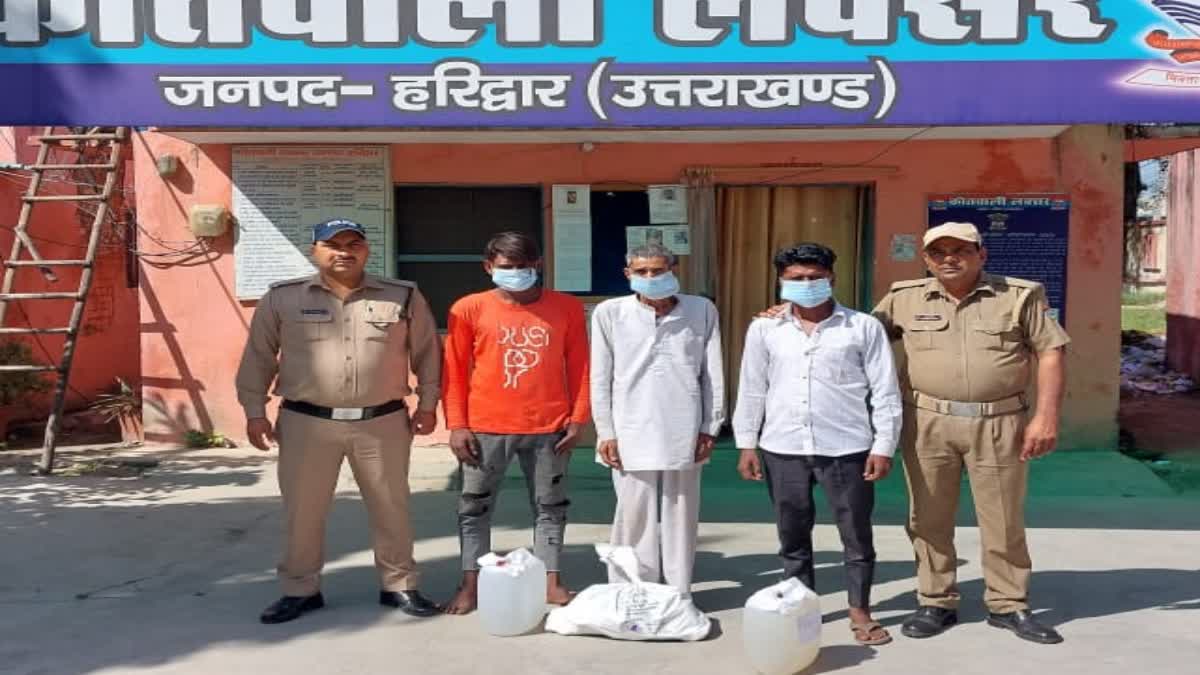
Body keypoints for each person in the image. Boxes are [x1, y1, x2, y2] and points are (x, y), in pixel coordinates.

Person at [236, 218, 442, 624]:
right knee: (303, 511)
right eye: (333, 244)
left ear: (367, 250)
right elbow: (258, 358)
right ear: (314, 251)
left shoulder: (402, 295)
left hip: (381, 422)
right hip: (306, 423)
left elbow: (427, 354)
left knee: (392, 507)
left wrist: (428, 404)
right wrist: (254, 411)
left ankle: (399, 584)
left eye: (354, 243)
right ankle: (300, 590)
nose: (344, 251)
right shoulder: (282, 298)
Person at [873, 222, 1070, 645]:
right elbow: (859, 337)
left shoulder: (1018, 296)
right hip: (927, 421)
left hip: (999, 422)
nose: (949, 258)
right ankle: (936, 600)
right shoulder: (903, 298)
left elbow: (1051, 351)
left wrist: (1046, 416)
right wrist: (791, 314)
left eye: (960, 250)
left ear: (981, 254)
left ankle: (1008, 604)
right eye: (938, 252)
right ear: (926, 259)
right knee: (928, 517)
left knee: (1003, 518)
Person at [735, 242, 902, 647]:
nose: (807, 284)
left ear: (832, 278)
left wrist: (883, 445)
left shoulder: (862, 327)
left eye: (815, 277)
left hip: (846, 447)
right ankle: (800, 609)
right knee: (792, 536)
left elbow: (885, 390)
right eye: (796, 278)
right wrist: (747, 443)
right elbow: (753, 388)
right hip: (783, 447)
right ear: (781, 282)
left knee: (856, 535)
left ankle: (859, 611)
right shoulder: (765, 329)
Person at [441, 231, 590, 615]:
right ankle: (471, 584)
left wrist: (578, 418)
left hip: (550, 426)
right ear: (489, 267)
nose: (516, 273)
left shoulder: (567, 307)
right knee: (474, 508)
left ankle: (550, 582)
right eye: (507, 266)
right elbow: (454, 370)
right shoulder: (468, 308)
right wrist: (457, 424)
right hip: (485, 428)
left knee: (551, 506)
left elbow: (581, 366)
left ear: (537, 265)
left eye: (524, 266)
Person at [590, 244, 724, 597]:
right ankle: (632, 593)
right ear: (628, 274)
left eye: (658, 270)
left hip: (685, 425)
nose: (650, 277)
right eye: (642, 271)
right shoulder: (610, 312)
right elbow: (600, 377)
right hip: (629, 426)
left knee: (681, 513)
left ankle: (679, 594)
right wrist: (606, 432)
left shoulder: (701, 309)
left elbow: (712, 374)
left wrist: (710, 427)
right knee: (633, 515)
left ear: (674, 270)